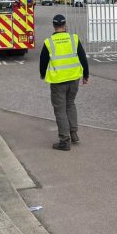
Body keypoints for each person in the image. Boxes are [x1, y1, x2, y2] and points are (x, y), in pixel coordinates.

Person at [40, 14, 89, 151]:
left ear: (54, 25)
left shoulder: (49, 42)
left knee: (60, 109)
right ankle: (73, 133)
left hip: (58, 81)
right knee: (70, 104)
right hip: (74, 79)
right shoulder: (74, 39)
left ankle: (64, 141)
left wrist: (43, 74)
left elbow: (43, 61)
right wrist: (85, 75)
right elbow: (82, 57)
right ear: (65, 24)